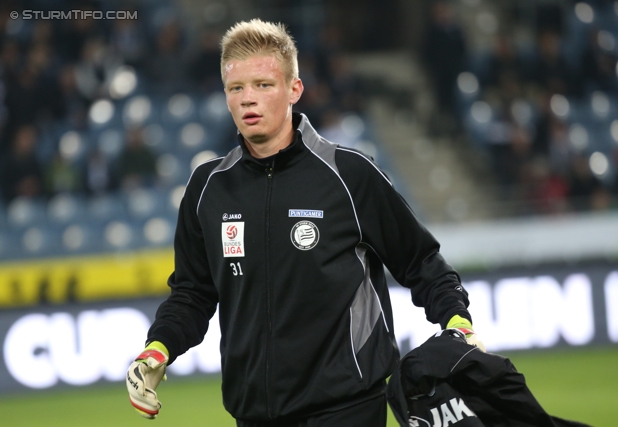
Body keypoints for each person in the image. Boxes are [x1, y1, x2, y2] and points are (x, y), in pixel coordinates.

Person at [126, 19, 482, 427]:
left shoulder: (349, 175)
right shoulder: (208, 188)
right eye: (236, 88)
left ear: (294, 90)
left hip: (347, 406)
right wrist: (158, 348)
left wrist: (457, 320)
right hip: (254, 413)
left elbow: (420, 262)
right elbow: (192, 293)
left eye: (263, 85)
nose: (248, 100)